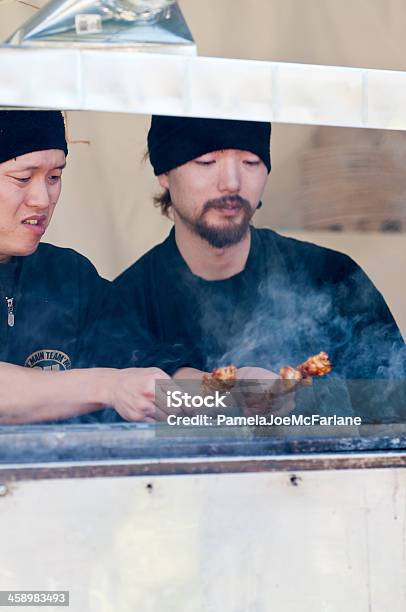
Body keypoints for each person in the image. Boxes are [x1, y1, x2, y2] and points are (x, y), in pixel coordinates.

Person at [112, 115, 406, 422]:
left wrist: (307, 402)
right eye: (207, 162)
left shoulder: (333, 276)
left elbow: (395, 400)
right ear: (165, 173)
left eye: (250, 162)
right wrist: (226, 396)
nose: (231, 183)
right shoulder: (126, 302)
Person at [0, 110, 180, 425]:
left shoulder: (69, 275)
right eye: (23, 178)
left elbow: (148, 363)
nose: (43, 199)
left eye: (54, 177)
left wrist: (235, 392)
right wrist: (108, 386)